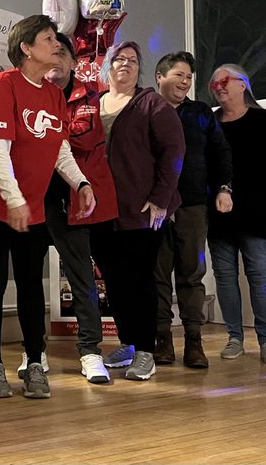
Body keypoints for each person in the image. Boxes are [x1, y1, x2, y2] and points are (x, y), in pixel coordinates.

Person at [0, 14, 96, 399]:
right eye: (48, 39)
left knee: (30, 286)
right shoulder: (3, 85)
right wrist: (14, 199)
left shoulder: (54, 94)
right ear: (26, 48)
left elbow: (59, 149)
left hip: (35, 210)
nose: (57, 45)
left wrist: (81, 182)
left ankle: (35, 361)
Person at [90, 41, 185, 382]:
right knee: (114, 282)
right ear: (108, 66)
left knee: (141, 280)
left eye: (133, 60)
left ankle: (146, 351)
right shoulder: (94, 103)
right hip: (101, 211)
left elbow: (174, 151)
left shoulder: (152, 104)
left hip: (141, 209)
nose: (126, 65)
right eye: (119, 59)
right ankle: (128, 343)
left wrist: (160, 198)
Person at [206, 64, 266, 366]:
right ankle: (234, 337)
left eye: (224, 80)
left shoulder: (264, 120)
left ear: (243, 85)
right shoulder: (211, 122)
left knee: (260, 275)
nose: (218, 87)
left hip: (256, 209)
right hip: (219, 210)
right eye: (213, 83)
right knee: (224, 276)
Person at [41, 32, 115, 384]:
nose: (55, 60)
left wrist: (42, 134)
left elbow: (80, 136)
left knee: (82, 276)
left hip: (75, 195)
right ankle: (32, 352)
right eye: (49, 53)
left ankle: (90, 351)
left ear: (73, 62)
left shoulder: (89, 96)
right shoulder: (30, 93)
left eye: (62, 54)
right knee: (25, 273)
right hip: (32, 194)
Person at [151, 52, 233, 368]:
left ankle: (194, 343)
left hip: (194, 206)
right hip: (154, 208)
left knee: (192, 275)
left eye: (189, 77)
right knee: (157, 276)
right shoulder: (145, 109)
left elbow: (220, 152)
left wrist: (224, 188)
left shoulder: (200, 113)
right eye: (178, 75)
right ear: (160, 77)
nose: (185, 82)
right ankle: (162, 342)